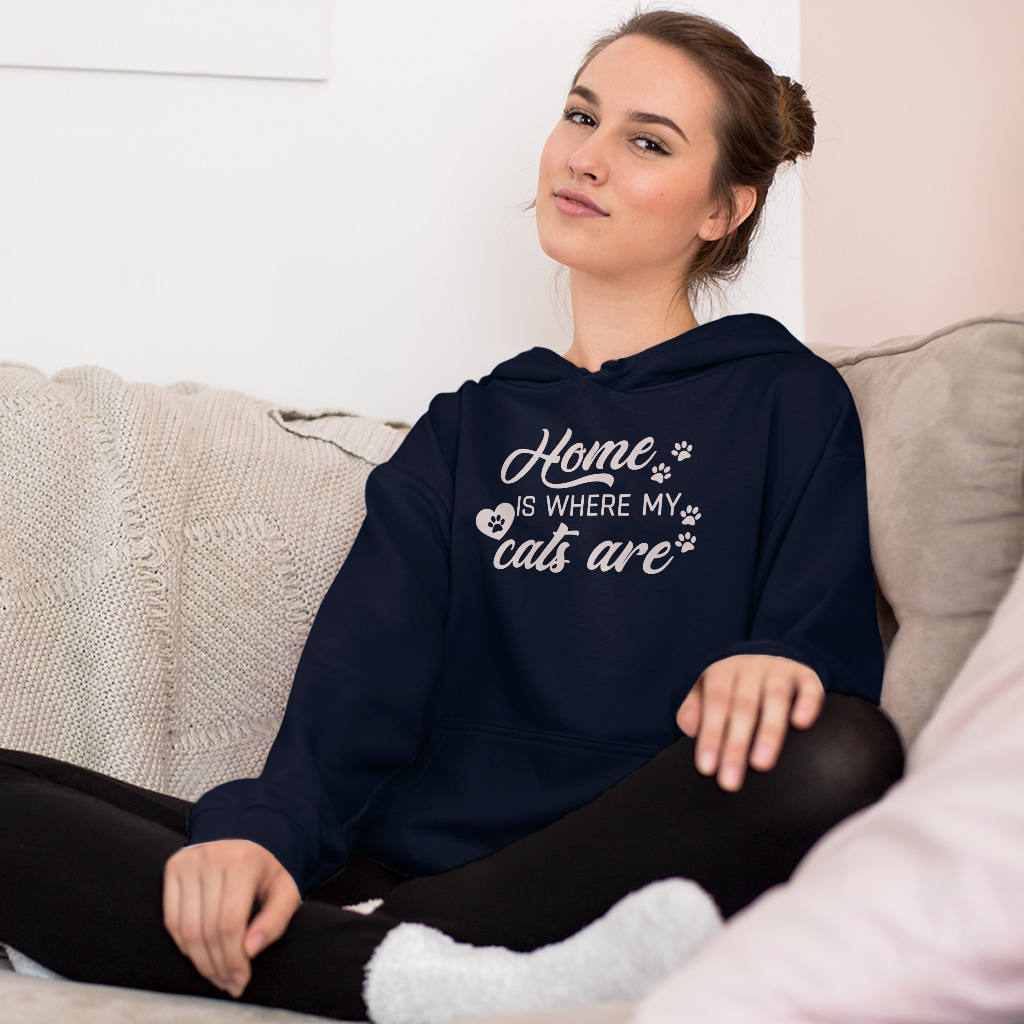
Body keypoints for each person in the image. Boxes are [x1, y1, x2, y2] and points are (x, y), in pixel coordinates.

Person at [0, 8, 905, 1023]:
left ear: (723, 210)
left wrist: (781, 662)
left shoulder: (784, 397)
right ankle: (409, 965)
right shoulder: (467, 428)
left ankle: (354, 956)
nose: (587, 157)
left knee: (840, 750)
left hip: (616, 859)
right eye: (581, 116)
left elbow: (821, 644)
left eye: (647, 142)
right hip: (409, 868)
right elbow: (357, 684)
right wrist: (262, 836)